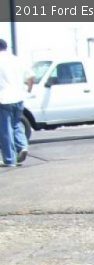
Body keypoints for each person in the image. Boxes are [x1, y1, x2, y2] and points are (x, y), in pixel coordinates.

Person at [0, 39, 33, 168]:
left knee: (5, 129)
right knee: (16, 124)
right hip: (19, 97)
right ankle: (22, 146)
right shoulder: (16, 60)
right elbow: (31, 77)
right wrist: (28, 90)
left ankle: (9, 160)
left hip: (4, 99)